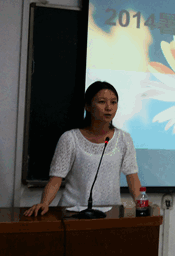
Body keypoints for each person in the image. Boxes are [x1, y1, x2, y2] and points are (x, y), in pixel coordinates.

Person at [24, 81, 142, 216]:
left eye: (113, 102)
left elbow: (132, 176)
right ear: (87, 106)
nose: (109, 107)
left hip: (110, 213)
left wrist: (142, 205)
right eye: (102, 102)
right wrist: (44, 203)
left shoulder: (124, 139)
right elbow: (56, 179)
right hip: (72, 212)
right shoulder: (70, 138)